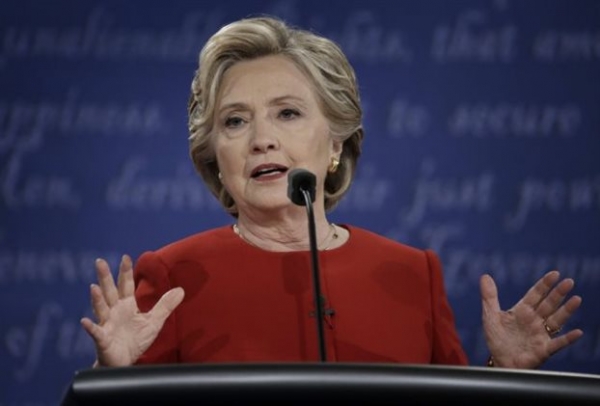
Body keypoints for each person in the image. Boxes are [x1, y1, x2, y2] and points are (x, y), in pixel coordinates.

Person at [80, 15, 583, 369]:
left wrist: (502, 373)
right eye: (235, 121)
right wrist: (113, 377)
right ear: (215, 156)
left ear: (336, 144)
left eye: (288, 113)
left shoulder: (412, 275)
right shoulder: (175, 277)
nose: (261, 139)